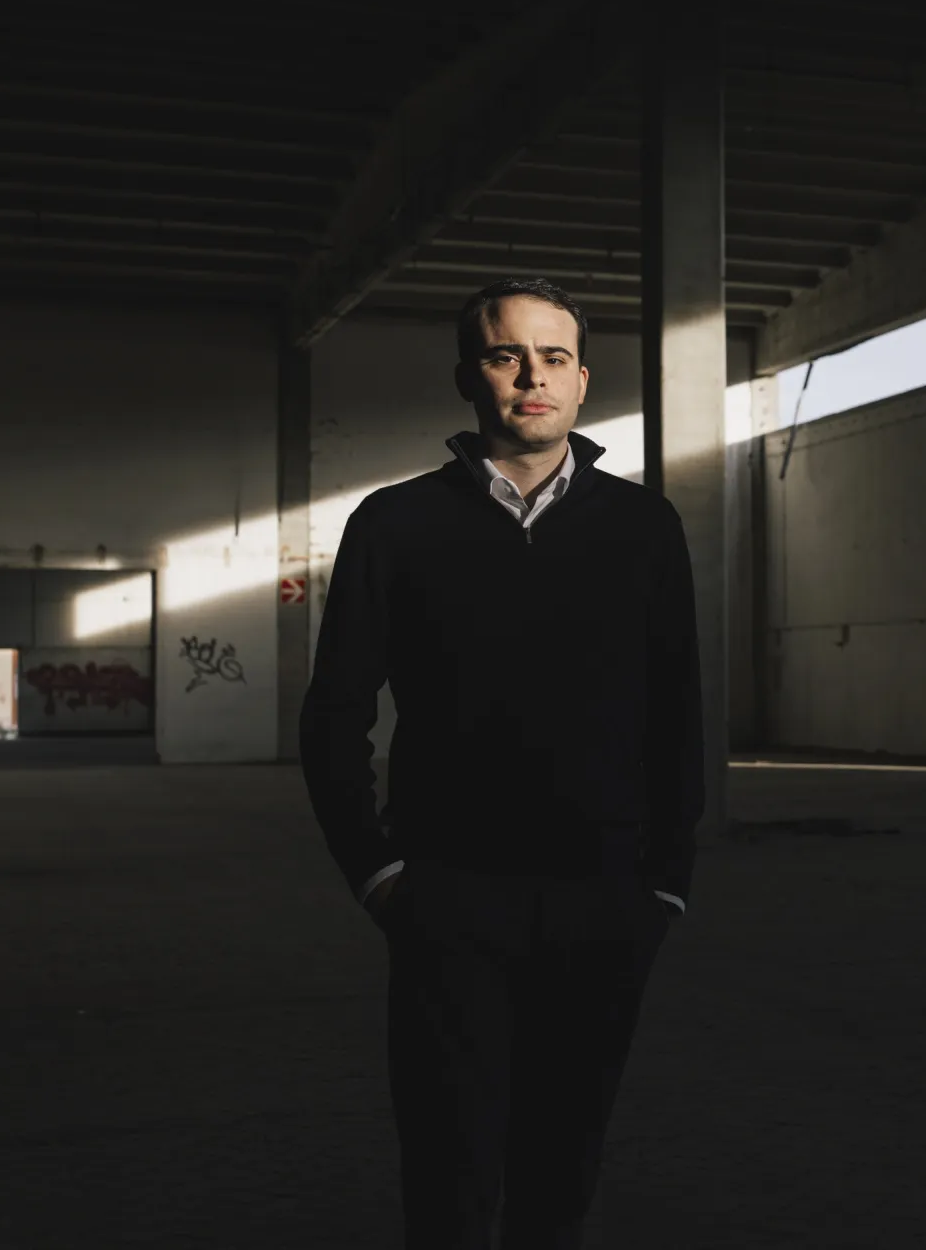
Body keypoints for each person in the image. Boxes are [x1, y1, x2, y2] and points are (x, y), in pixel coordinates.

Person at [300, 276, 705, 1249]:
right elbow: (335, 714)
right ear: (466, 377)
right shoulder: (393, 524)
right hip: (450, 895)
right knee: (448, 1164)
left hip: (605, 896)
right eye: (504, 353)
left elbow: (677, 713)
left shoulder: (643, 526)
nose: (531, 374)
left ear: (581, 379)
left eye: (553, 355)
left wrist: (665, 886)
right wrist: (381, 874)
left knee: (561, 1168)